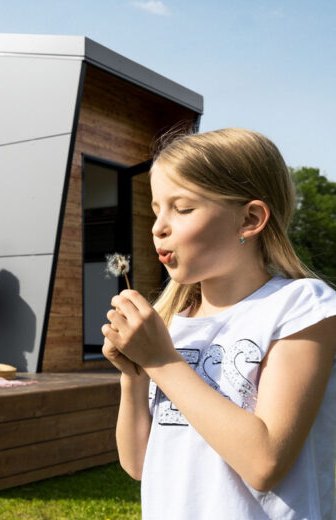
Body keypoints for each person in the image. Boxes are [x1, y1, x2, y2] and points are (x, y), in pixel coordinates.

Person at [101, 128, 336, 519]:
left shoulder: (301, 307)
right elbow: (138, 464)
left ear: (250, 219)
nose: (158, 225)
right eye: (157, 207)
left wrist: (161, 361)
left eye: (183, 208)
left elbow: (265, 463)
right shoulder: (171, 324)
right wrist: (134, 373)